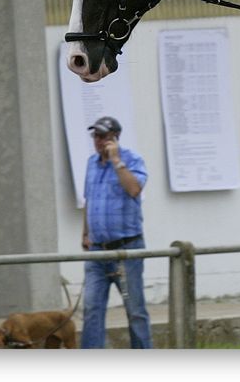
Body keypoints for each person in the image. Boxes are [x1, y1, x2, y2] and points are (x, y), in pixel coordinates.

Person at [80, 115, 152, 349]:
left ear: (115, 138)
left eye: (103, 137)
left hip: (127, 249)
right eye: (95, 136)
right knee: (91, 308)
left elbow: (133, 190)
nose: (98, 141)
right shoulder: (91, 163)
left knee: (135, 310)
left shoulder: (132, 160)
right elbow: (88, 201)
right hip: (97, 251)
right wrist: (85, 233)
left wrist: (117, 161)